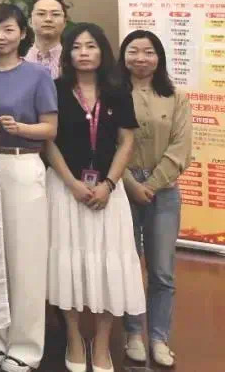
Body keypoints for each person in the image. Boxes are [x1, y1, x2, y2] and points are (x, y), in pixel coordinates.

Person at [45, 24, 144, 372]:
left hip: (108, 192)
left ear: (103, 51)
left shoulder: (118, 91)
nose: (84, 53)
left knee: (108, 265)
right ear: (68, 54)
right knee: (67, 263)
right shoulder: (55, 89)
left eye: (91, 46)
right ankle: (74, 338)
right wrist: (71, 183)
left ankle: (102, 344)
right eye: (76, 47)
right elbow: (48, 141)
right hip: (65, 189)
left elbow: (127, 142)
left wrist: (110, 184)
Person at [0, 4, 58, 372]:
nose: (0, 36)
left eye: (8, 29)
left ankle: (25, 347)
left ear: (23, 33)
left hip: (21, 165)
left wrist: (20, 128)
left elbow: (49, 128)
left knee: (25, 261)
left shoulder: (38, 74)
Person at [117, 30, 192, 368]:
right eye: (133, 51)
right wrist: (130, 183)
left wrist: (152, 184)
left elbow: (181, 148)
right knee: (129, 266)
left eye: (148, 52)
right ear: (123, 56)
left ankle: (159, 337)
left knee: (162, 271)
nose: (141, 58)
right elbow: (108, 143)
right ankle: (133, 334)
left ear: (159, 57)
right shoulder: (113, 94)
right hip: (122, 188)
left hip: (164, 192)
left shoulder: (176, 96)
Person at [25, 0, 67, 79]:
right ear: (30, 22)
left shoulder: (72, 60)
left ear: (64, 23)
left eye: (55, 14)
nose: (48, 19)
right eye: (41, 14)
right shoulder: (19, 60)